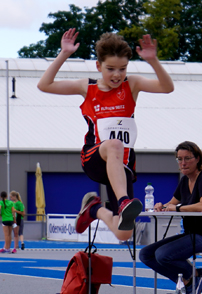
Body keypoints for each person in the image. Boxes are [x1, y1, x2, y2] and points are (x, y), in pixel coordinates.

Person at [37, 28, 174, 241]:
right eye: (110, 69)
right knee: (114, 144)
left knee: (124, 233)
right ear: (98, 66)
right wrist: (64, 53)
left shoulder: (133, 84)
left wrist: (153, 61)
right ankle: (123, 201)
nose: (117, 75)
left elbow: (167, 88)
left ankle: (94, 210)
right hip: (94, 157)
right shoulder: (87, 87)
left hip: (122, 165)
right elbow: (44, 85)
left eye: (123, 69)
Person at [139, 141, 202, 294]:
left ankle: (194, 277)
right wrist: (161, 206)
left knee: (163, 255)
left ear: (198, 158)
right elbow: (171, 203)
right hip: (192, 235)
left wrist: (176, 208)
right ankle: (190, 279)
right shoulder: (184, 180)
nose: (183, 163)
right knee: (146, 254)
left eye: (187, 158)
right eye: (179, 159)